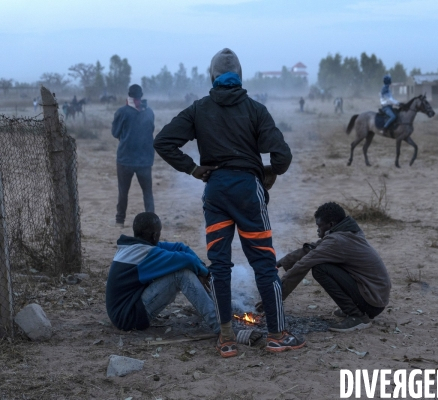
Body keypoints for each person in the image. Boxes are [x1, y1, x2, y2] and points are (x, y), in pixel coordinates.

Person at [153, 48, 304, 357]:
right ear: (240, 77)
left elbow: (163, 142)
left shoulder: (198, 109)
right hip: (248, 191)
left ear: (212, 77)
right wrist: (266, 174)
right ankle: (277, 335)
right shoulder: (256, 110)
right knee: (263, 263)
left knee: (219, 267)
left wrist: (193, 169)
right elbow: (283, 157)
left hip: (216, 192)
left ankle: (226, 339)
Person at [269, 202, 391, 332]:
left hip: (372, 301)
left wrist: (275, 297)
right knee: (322, 262)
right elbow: (312, 249)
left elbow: (304, 264)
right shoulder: (348, 232)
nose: (317, 230)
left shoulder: (337, 241)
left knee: (320, 268)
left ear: (331, 225)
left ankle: (357, 316)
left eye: (319, 226)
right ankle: (356, 308)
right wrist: (280, 263)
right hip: (377, 297)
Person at [105, 212, 219, 334]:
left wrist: (200, 266)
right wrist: (206, 273)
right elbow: (187, 260)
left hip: (126, 310)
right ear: (155, 235)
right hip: (128, 318)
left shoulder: (135, 248)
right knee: (180, 274)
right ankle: (220, 326)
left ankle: (217, 307)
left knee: (188, 267)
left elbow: (180, 247)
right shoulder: (144, 254)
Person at [112, 84, 155, 228]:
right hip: (144, 159)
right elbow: (151, 130)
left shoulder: (122, 112)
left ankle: (120, 221)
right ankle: (152, 220)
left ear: (129, 97)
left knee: (123, 192)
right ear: (140, 97)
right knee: (147, 193)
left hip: (125, 159)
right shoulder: (149, 112)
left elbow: (115, 133)